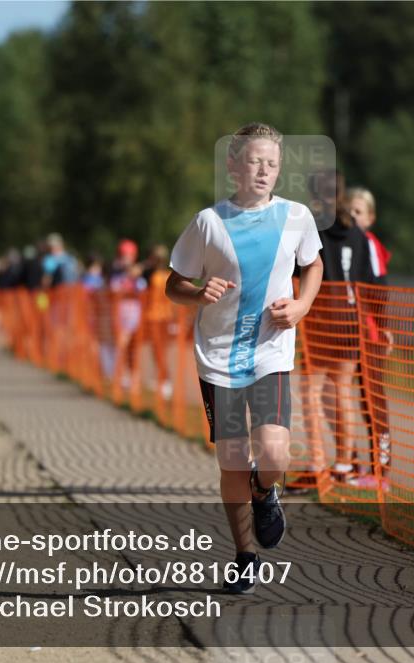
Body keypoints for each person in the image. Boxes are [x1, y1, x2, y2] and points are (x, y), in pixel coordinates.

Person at [166, 122, 324, 593]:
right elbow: (173, 283)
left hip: (270, 352)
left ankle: (264, 489)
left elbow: (312, 264)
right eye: (254, 161)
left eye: (272, 163)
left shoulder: (296, 217)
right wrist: (197, 293)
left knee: (273, 453)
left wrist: (302, 305)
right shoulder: (208, 222)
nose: (263, 170)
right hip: (218, 357)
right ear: (233, 165)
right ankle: (245, 555)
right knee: (233, 460)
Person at [308, 171, 383, 487]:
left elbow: (302, 266)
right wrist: (381, 323)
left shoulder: (313, 227)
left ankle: (317, 462)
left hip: (323, 317)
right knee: (343, 390)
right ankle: (342, 461)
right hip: (351, 318)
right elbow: (372, 283)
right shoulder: (359, 236)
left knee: (310, 391)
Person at [348, 187, 394, 472]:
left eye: (358, 212)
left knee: (370, 396)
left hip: (368, 332)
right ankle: (349, 461)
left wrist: (383, 326)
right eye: (349, 211)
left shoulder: (369, 243)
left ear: (370, 218)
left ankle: (382, 462)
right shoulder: (341, 242)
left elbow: (380, 289)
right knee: (336, 393)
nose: (353, 217)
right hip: (339, 331)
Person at [110, 239, 146, 391]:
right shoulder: (117, 276)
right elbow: (114, 288)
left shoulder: (139, 278)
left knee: (134, 348)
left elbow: (143, 288)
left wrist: (134, 277)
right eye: (124, 255)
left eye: (129, 255)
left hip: (135, 315)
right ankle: (122, 376)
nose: (126, 259)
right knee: (122, 346)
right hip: (121, 315)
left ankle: (134, 378)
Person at [143, 245, 175, 400]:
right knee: (158, 351)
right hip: (160, 317)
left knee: (159, 351)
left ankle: (166, 380)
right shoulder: (164, 275)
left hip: (159, 317)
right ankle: (162, 379)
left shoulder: (156, 276)